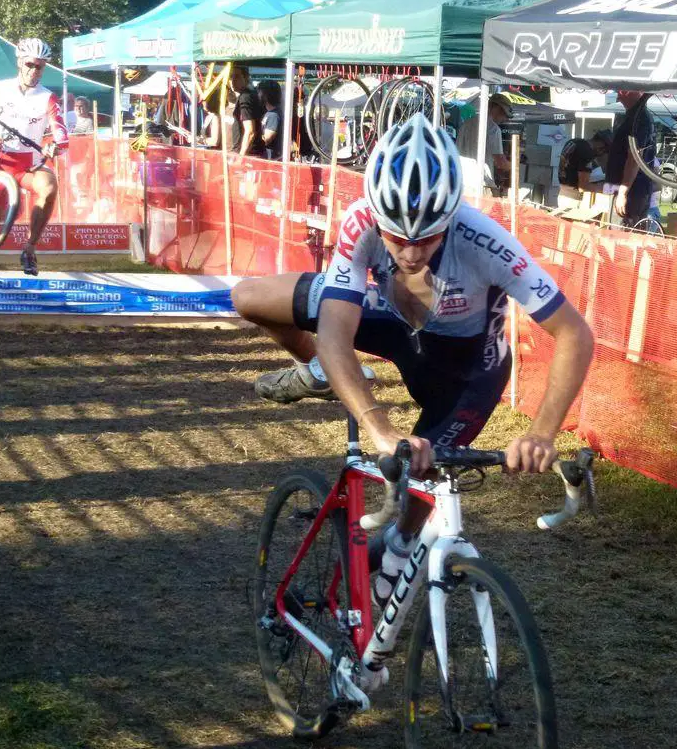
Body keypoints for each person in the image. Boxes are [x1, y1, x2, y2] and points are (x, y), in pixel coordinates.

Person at [231, 114, 594, 615]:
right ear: (377, 215)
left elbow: (573, 331)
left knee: (415, 510)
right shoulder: (361, 222)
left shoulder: (485, 240)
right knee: (250, 296)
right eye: (396, 237)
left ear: (450, 217)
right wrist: (376, 424)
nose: (409, 251)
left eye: (426, 238)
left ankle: (395, 556)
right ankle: (319, 373)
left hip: (465, 372)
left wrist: (542, 432)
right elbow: (337, 330)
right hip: (393, 324)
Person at [0, 38, 67, 276]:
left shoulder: (48, 97)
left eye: (39, 66)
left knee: (49, 187)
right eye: (30, 64)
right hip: (1, 163)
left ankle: (29, 250)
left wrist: (56, 145)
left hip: (29, 164)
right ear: (20, 62)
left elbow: (60, 129)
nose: (34, 70)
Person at [587, 91, 655, 227]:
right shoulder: (634, 116)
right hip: (625, 189)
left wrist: (623, 192)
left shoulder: (639, 119)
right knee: (620, 235)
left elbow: (634, 158)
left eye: (621, 90)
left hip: (632, 192)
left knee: (621, 239)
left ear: (634, 91)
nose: (618, 95)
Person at [456, 93, 512, 194]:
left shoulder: (466, 124)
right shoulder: (494, 129)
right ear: (495, 108)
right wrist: (515, 166)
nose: (504, 119)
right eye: (503, 114)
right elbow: (500, 162)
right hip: (482, 184)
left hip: (462, 182)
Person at [230, 65, 263, 156]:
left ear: (246, 78)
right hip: (249, 152)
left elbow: (250, 131)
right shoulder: (248, 95)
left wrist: (241, 157)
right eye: (231, 76)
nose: (233, 80)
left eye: (237, 76)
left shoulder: (246, 96)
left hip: (247, 154)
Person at [257, 80, 282, 160]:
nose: (258, 95)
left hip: (271, 158)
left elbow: (267, 139)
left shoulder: (274, 115)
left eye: (259, 92)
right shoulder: (270, 113)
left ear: (265, 95)